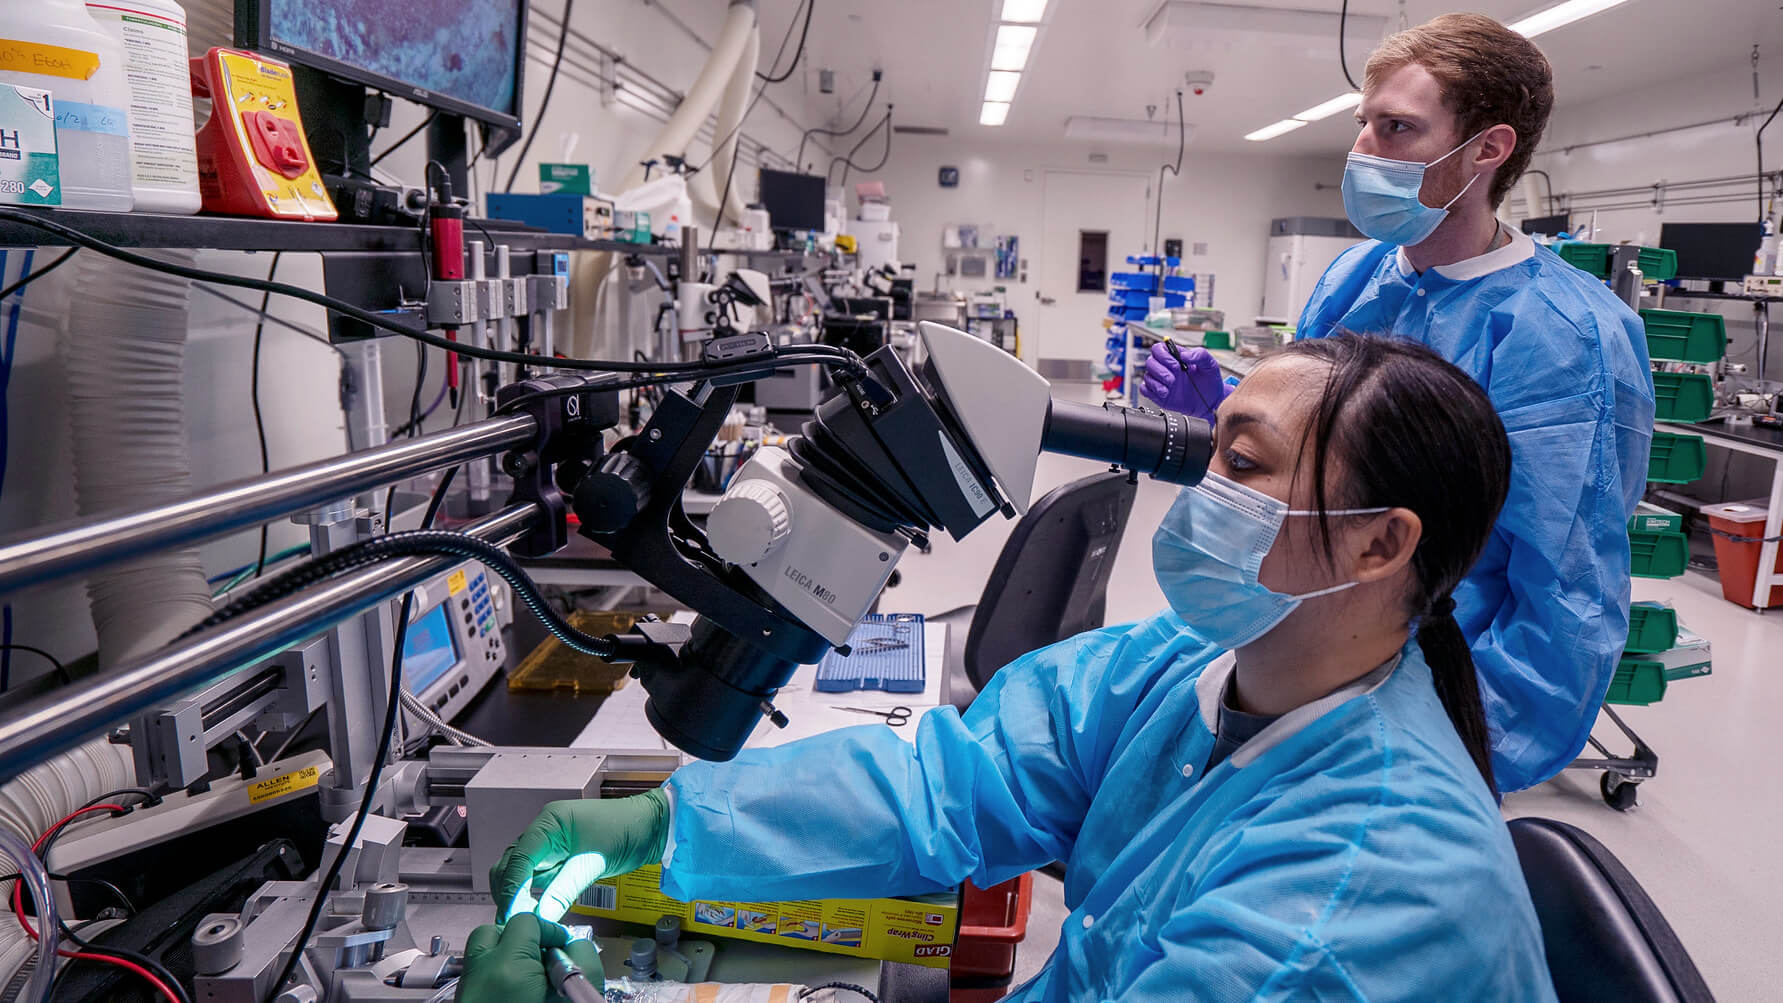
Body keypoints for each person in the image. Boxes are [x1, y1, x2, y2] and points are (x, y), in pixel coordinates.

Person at [466, 336, 1557, 1002]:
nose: (1203, 492)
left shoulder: (1358, 901)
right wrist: (667, 827)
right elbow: (953, 781)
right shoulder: (1186, 670)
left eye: (1242, 463)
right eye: (1212, 450)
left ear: (1380, 544)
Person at [1142, 13, 1655, 793]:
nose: (1361, 153)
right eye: (1362, 126)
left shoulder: (1565, 335)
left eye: (1394, 129)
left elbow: (1568, 588)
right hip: (1292, 641)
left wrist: (1458, 752)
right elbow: (1308, 468)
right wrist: (1230, 419)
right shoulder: (1359, 276)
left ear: (1486, 149)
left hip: (1423, 694)